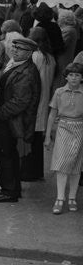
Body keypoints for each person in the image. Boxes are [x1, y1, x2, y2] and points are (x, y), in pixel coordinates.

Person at [0, 32, 41, 203]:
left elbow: (20, 101)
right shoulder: (15, 64)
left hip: (10, 121)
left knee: (5, 154)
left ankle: (10, 191)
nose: (16, 50)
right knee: (4, 154)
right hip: (7, 119)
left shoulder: (26, 72)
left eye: (21, 49)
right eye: (15, 47)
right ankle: (8, 187)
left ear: (29, 53)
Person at [45, 61, 83, 214]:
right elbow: (52, 114)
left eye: (77, 75)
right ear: (66, 77)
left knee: (76, 165)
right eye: (71, 75)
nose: (74, 78)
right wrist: (47, 135)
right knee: (61, 163)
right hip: (63, 128)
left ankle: (72, 197)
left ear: (82, 78)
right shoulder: (59, 92)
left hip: (80, 128)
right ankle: (60, 198)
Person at [21, 26, 55, 183]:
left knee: (30, 137)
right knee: (36, 138)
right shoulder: (50, 57)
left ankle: (29, 172)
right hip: (45, 97)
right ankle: (36, 171)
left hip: (35, 99)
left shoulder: (36, 56)